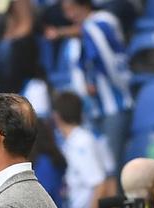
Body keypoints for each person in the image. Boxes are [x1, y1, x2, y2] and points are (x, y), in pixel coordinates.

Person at [60, 0, 133, 166]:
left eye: (72, 9)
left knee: (113, 165)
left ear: (84, 5)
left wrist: (60, 32)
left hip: (116, 104)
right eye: (66, 11)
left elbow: (109, 61)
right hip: (93, 110)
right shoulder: (76, 41)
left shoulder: (103, 21)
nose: (70, 16)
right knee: (100, 167)